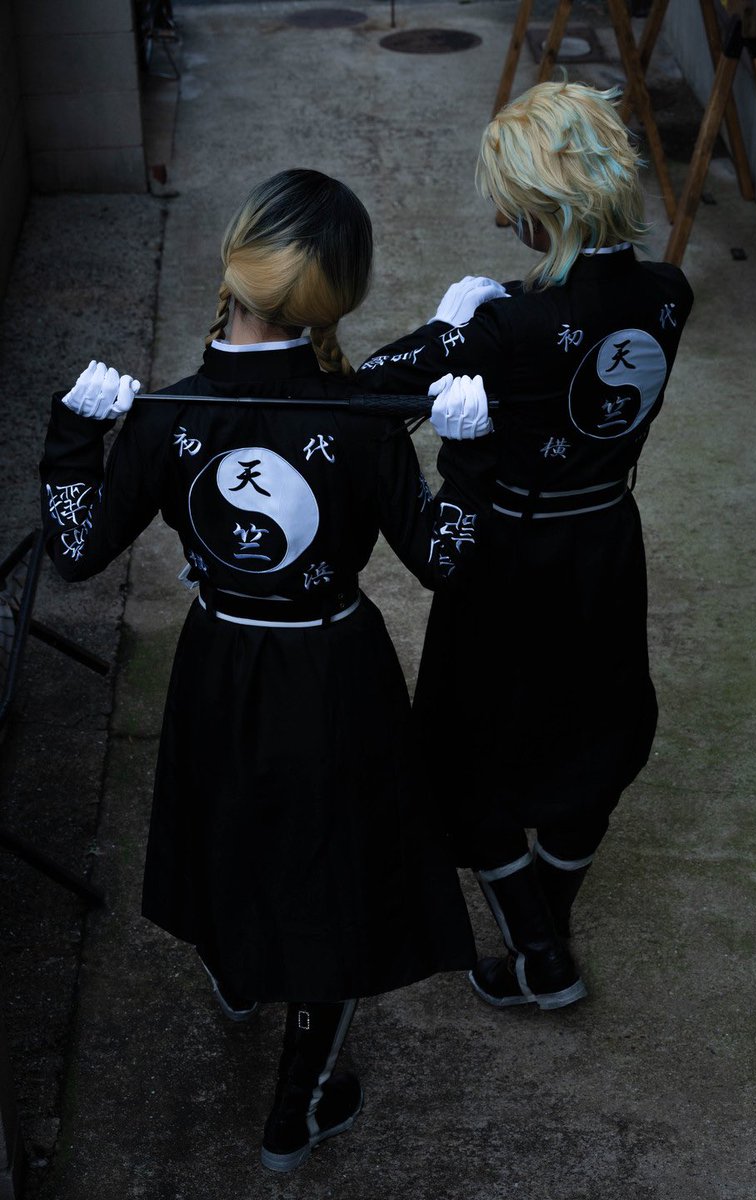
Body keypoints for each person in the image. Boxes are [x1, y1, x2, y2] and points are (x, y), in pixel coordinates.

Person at [39, 169, 494, 1173]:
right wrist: (469, 456)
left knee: (225, 829)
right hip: (333, 674)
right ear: (340, 295)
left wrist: (74, 437)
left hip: (221, 662)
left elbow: (74, 548)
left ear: (234, 263)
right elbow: (445, 559)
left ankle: (239, 974)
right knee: (335, 875)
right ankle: (300, 1106)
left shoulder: (164, 416)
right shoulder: (365, 424)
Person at [357, 82, 694, 1012]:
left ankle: (538, 944)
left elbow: (372, 388)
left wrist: (449, 326)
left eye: (510, 201)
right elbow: (590, 335)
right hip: (606, 542)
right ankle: (547, 930)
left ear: (544, 205)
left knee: (465, 741)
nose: (500, 218)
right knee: (600, 733)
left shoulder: (505, 327)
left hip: (509, 551)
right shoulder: (671, 294)